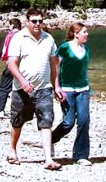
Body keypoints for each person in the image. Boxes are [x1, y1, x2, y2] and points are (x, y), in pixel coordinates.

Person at [6, 9, 65, 170]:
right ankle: (12, 149)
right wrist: (22, 81)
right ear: (27, 22)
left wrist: (56, 86)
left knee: (46, 121)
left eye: (40, 21)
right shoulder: (18, 38)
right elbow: (11, 63)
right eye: (34, 21)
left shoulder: (48, 38)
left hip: (44, 88)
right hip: (21, 89)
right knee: (17, 121)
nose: (38, 24)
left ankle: (48, 159)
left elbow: (55, 65)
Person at [51, 22, 92, 166]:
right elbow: (55, 68)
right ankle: (50, 140)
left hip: (83, 90)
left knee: (84, 121)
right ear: (76, 34)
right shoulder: (64, 48)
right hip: (67, 90)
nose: (87, 34)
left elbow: (83, 69)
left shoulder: (86, 49)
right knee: (68, 123)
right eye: (84, 32)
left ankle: (81, 155)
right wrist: (56, 87)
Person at [0, 18, 22, 118]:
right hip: (22, 64)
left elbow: (6, 50)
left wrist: (4, 58)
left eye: (9, 25)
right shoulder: (24, 35)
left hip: (12, 63)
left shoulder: (11, 35)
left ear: (12, 25)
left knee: (3, 87)